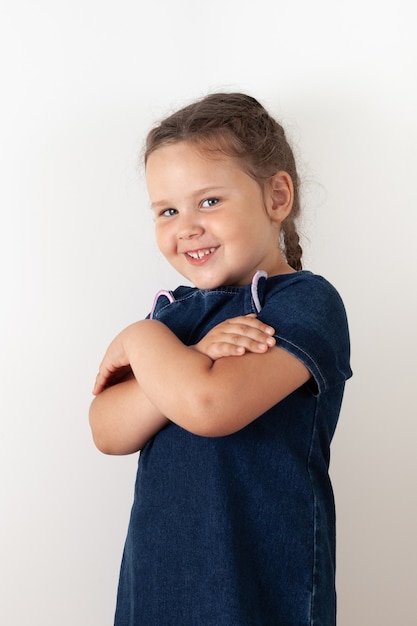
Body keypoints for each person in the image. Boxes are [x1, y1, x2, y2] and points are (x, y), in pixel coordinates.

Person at [89, 92, 352, 626]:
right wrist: (183, 352)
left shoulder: (302, 303)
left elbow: (209, 405)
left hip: (258, 586)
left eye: (209, 201)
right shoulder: (172, 319)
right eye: (167, 210)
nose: (186, 226)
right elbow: (107, 429)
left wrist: (140, 341)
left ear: (276, 196)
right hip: (160, 586)